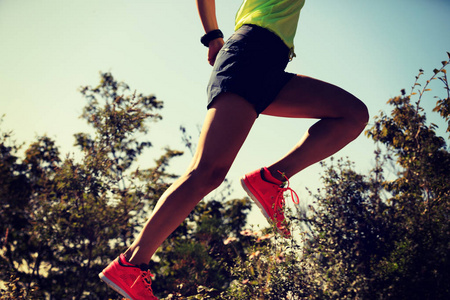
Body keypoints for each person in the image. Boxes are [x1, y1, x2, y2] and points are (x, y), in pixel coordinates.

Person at [99, 0, 369, 299]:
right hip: (249, 51)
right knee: (207, 173)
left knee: (352, 115)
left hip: (270, 62)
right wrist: (212, 35)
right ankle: (131, 264)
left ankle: (271, 179)